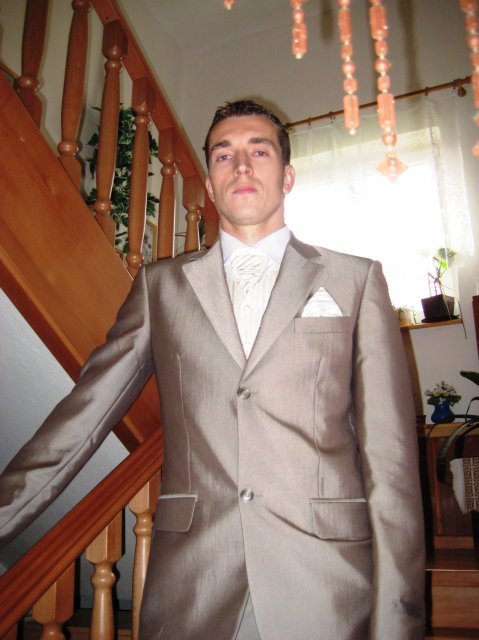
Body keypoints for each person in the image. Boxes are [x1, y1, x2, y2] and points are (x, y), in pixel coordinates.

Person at [0, 100, 425, 639]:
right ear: (209, 184)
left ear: (287, 176)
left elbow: (391, 461)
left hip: (326, 586)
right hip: (194, 584)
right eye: (224, 155)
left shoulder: (356, 281)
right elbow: (82, 417)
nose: (240, 165)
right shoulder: (160, 288)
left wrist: (398, 621)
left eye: (258, 151)